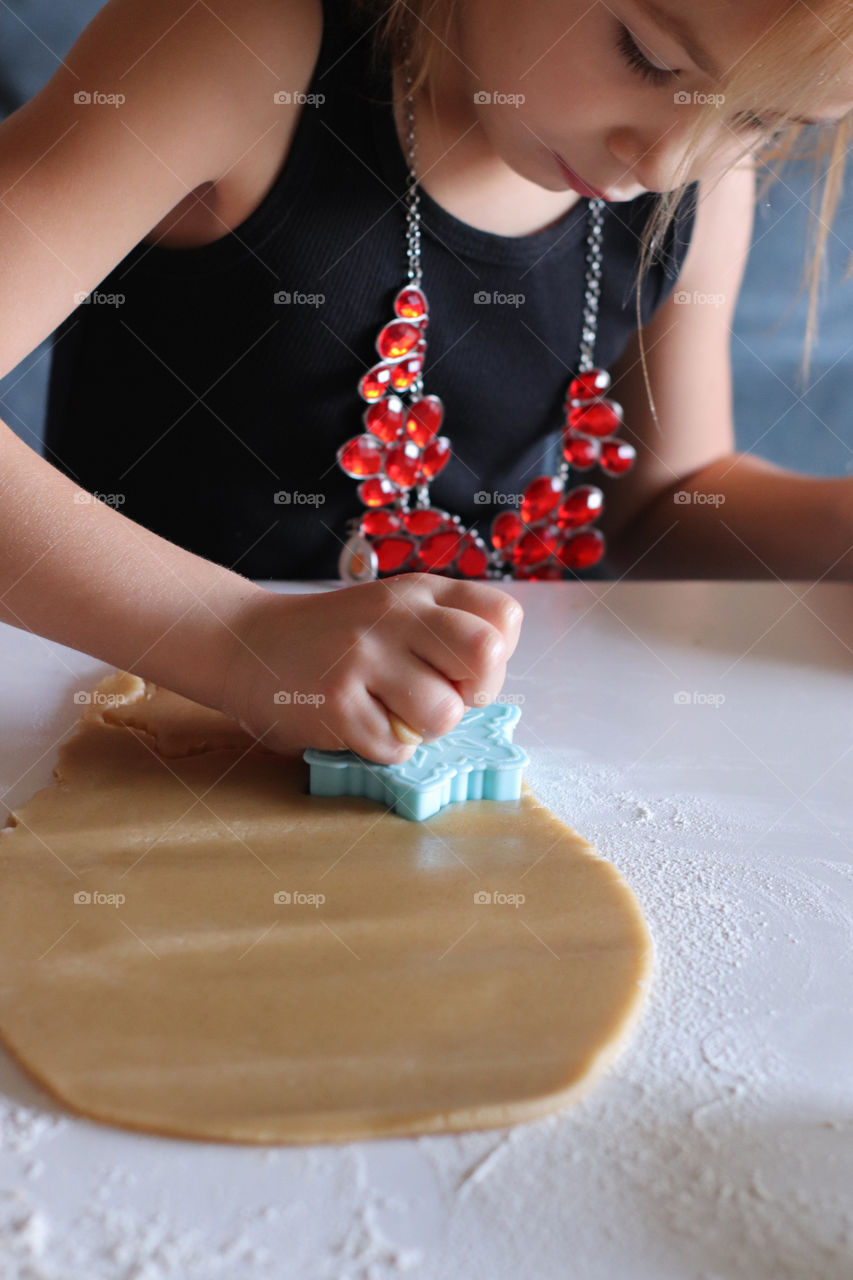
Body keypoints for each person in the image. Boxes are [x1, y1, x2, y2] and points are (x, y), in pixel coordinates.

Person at [0, 0, 851, 765]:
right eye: (648, 57)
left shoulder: (698, 174)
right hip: (133, 743)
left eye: (762, 121)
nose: (666, 162)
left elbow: (661, 504)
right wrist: (236, 639)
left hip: (476, 752)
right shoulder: (235, 44)